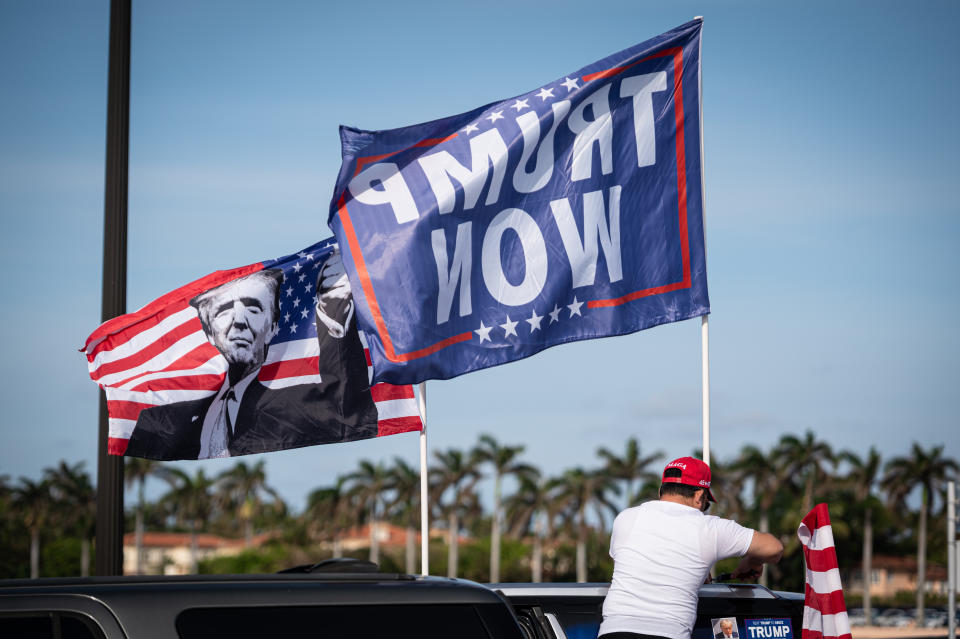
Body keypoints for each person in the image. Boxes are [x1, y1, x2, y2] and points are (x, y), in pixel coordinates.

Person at [125, 251, 375, 459]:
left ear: (273, 328)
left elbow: (347, 409)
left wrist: (334, 310)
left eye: (253, 309)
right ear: (209, 332)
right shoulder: (158, 419)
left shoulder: (289, 405)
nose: (239, 322)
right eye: (224, 311)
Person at [598, 456, 783, 639]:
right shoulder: (709, 528)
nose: (703, 508)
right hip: (667, 633)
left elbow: (634, 565)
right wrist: (752, 560)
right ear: (699, 496)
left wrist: (696, 574)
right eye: (706, 504)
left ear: (662, 490)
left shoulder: (626, 518)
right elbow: (774, 548)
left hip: (613, 631)